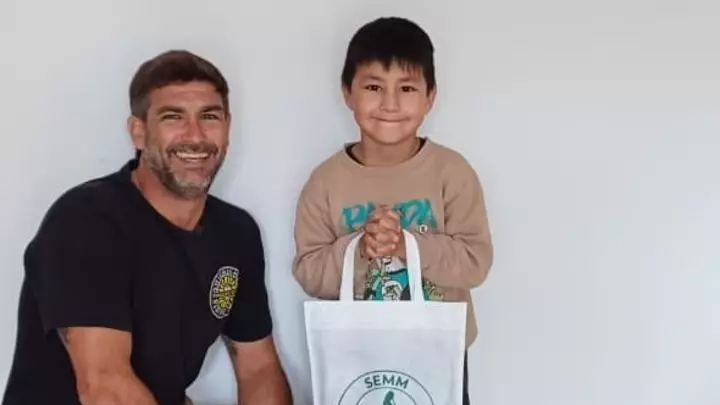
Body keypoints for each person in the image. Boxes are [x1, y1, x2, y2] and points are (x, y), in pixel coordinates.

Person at [2, 50, 292, 405]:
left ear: (228, 127)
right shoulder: (85, 220)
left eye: (209, 116)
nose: (196, 136)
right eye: (173, 117)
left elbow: (258, 369)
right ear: (138, 132)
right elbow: (106, 387)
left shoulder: (237, 232)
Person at [292, 17, 494, 405]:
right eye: (373, 87)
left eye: (407, 88)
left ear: (430, 97)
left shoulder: (451, 172)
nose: (390, 103)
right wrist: (361, 248)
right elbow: (309, 273)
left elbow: (475, 262)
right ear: (347, 93)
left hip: (438, 352)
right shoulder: (324, 182)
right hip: (356, 354)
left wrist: (406, 244)